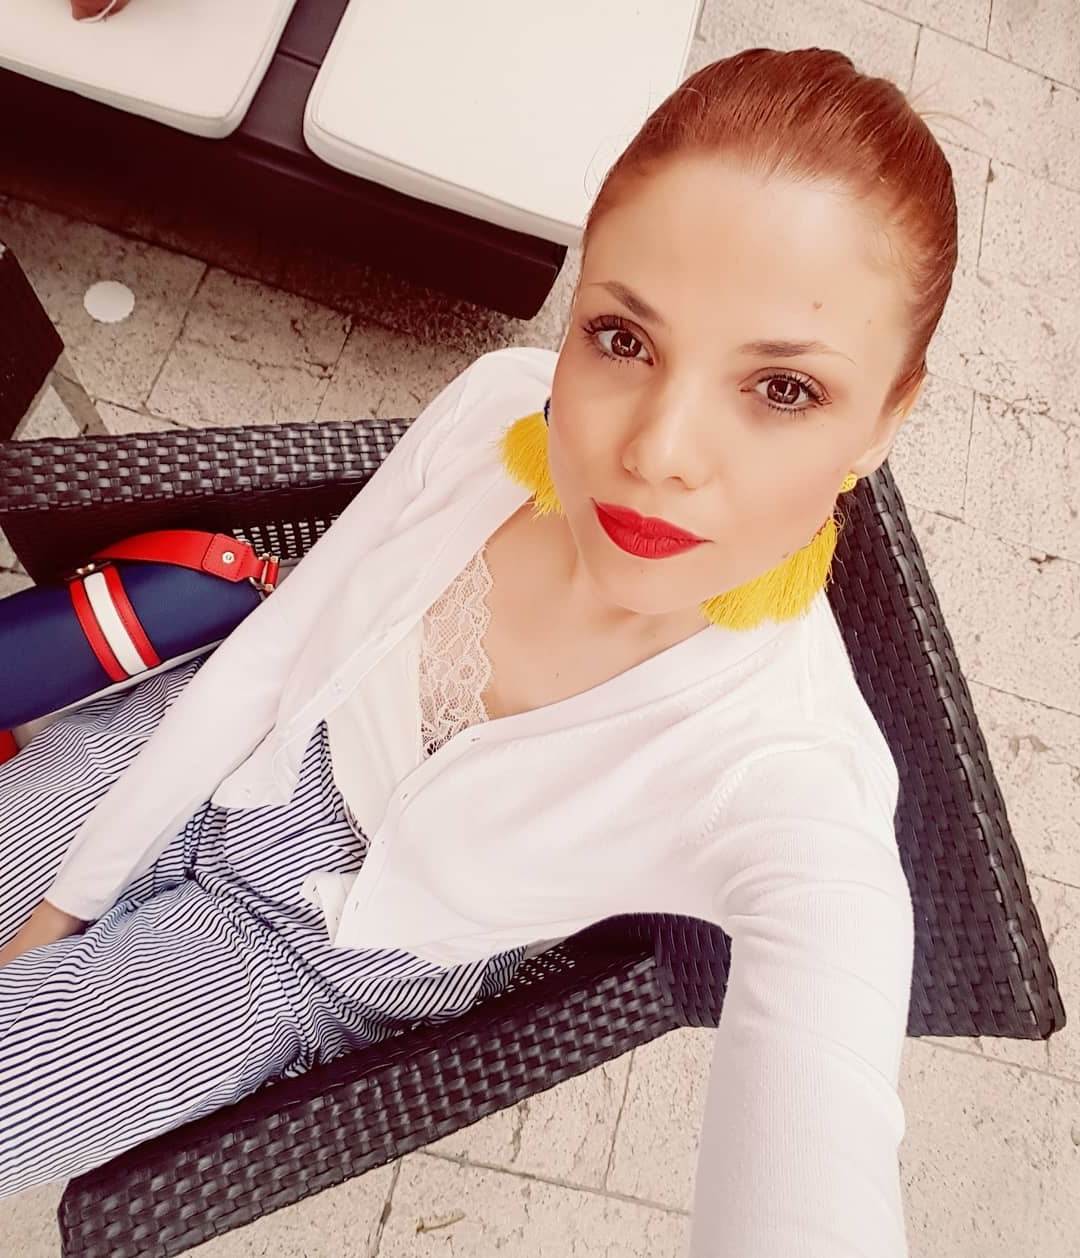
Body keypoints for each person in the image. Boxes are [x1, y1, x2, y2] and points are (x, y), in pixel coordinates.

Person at [0, 47, 958, 1257]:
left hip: (301, 958)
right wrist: (69, 896)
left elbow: (818, 1142)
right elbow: (282, 641)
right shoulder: (505, 405)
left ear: (885, 419)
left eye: (781, 388)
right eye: (623, 338)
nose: (657, 452)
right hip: (192, 747)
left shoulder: (789, 780)